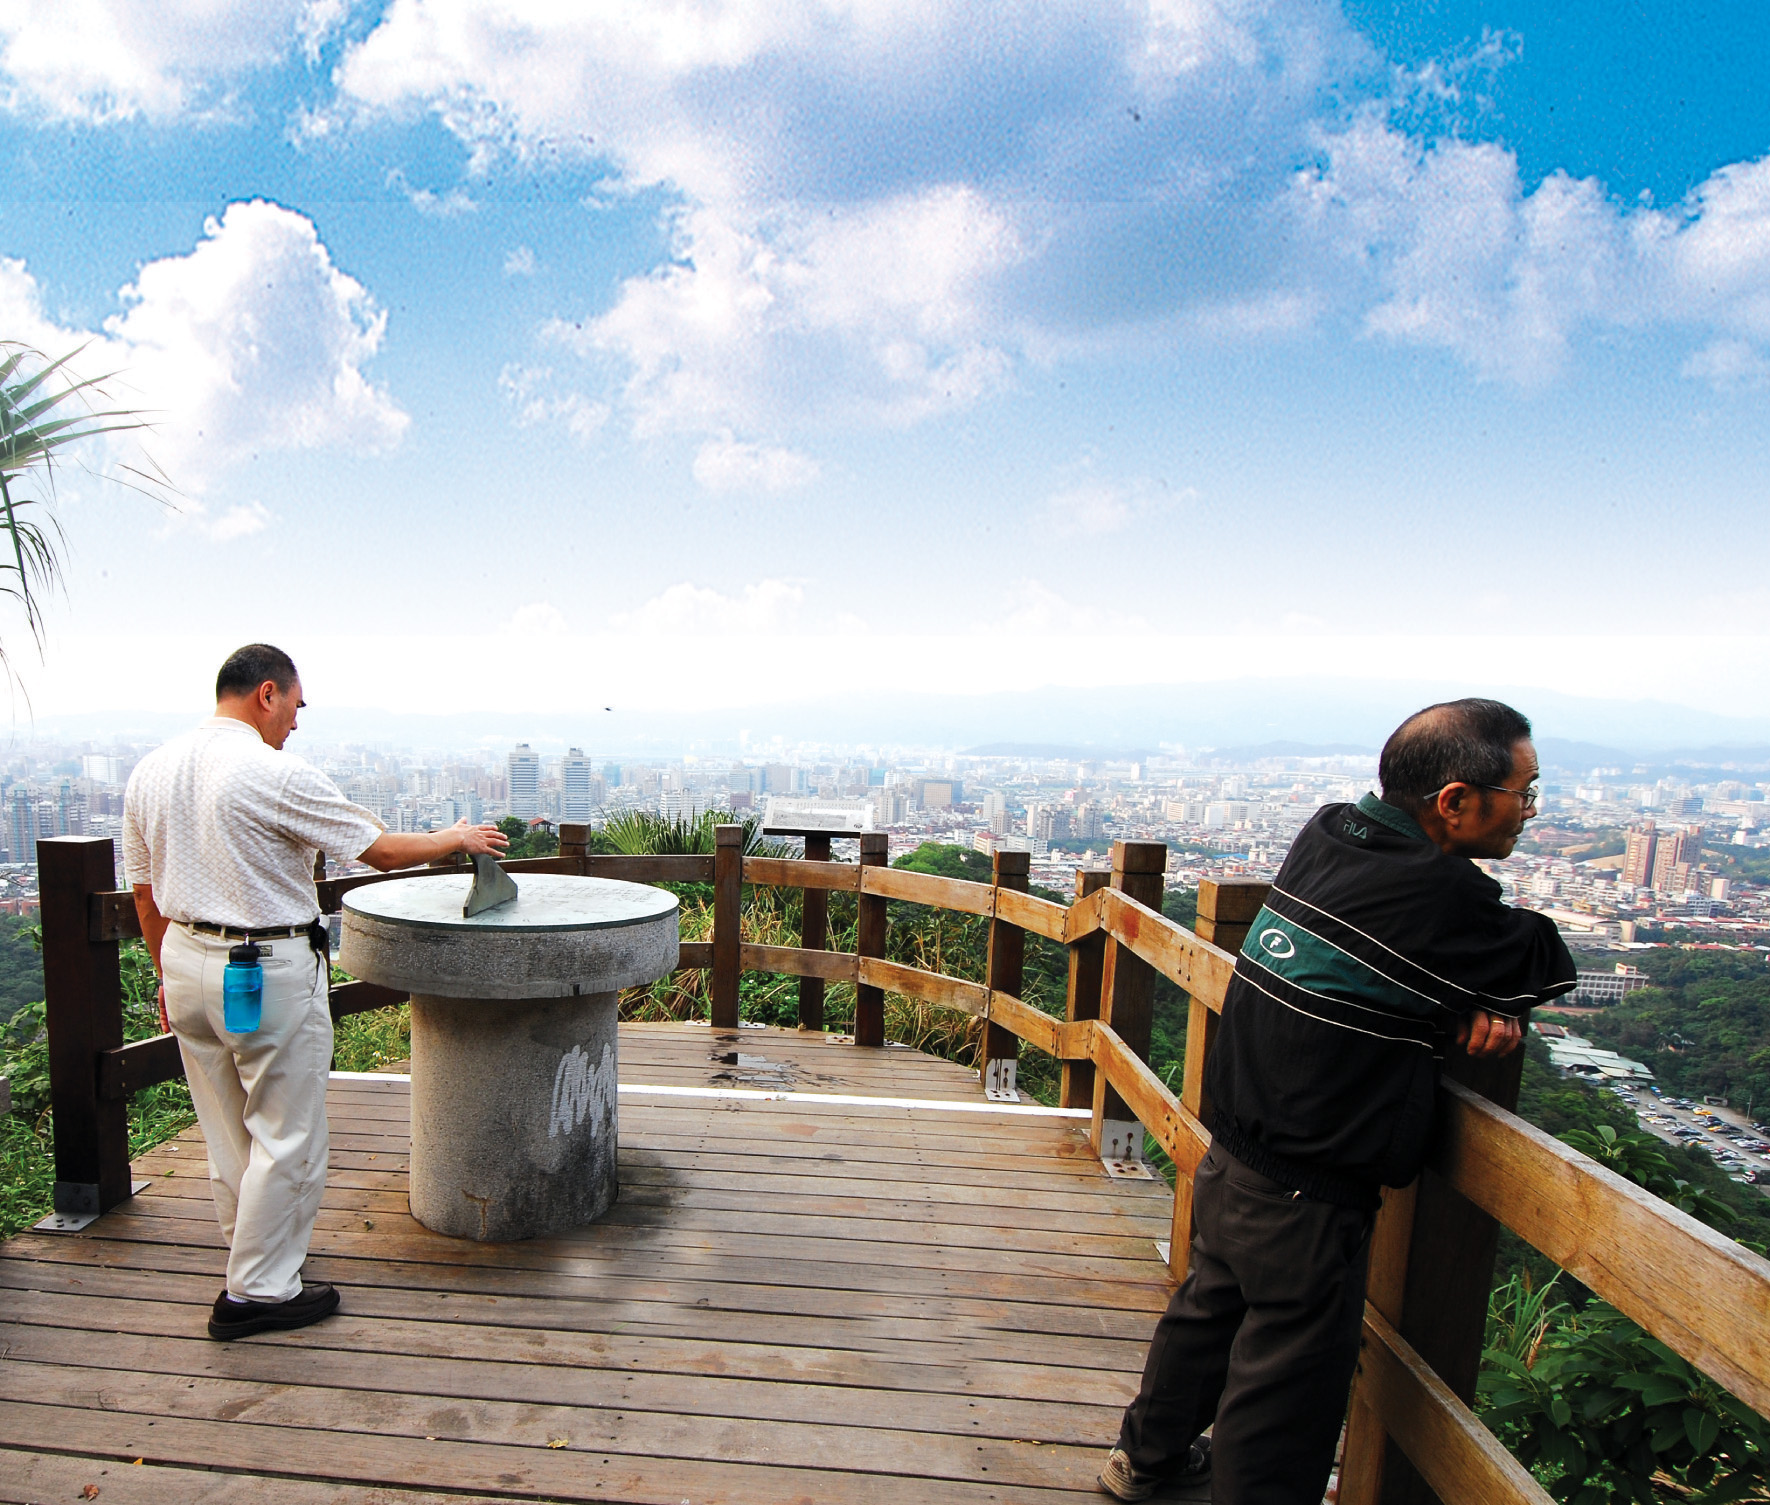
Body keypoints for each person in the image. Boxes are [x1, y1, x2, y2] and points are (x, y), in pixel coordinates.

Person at [1099, 698, 1576, 1503]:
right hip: (1312, 1192)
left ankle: (1143, 1462)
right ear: (1455, 801)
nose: (1529, 812)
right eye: (1524, 794)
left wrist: (1437, 997)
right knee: (1284, 1391)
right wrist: (1466, 1001)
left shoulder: (1328, 831)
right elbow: (1538, 954)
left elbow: (1394, 954)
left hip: (1234, 1154)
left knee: (1206, 1316)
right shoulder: (1441, 897)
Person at [123, 643, 508, 1340]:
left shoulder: (151, 770)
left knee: (226, 1127)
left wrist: (163, 970)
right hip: (265, 965)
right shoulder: (272, 773)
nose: (296, 724)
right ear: (267, 693)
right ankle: (260, 1292)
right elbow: (381, 850)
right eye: (296, 706)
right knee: (287, 1129)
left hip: (184, 958)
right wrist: (455, 836)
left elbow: (144, 890)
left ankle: (252, 1257)